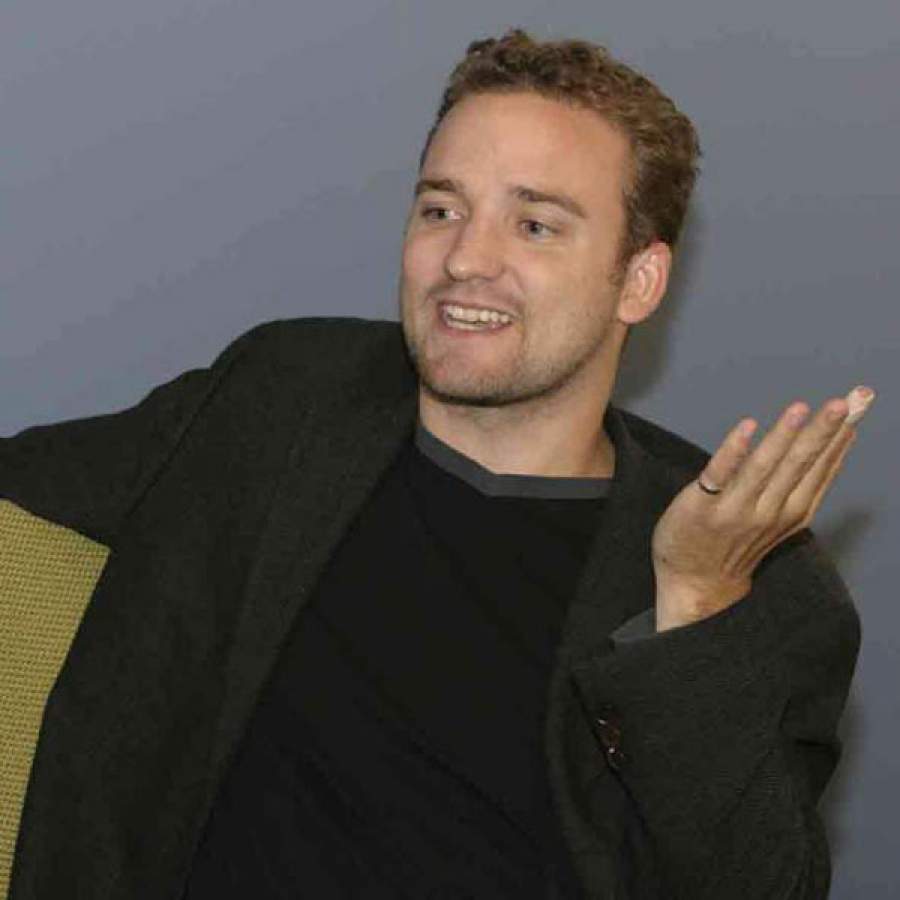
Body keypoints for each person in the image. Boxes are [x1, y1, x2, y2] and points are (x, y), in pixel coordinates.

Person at [0, 28, 874, 900]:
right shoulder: (283, 398)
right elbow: (34, 480)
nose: (465, 259)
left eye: (534, 225)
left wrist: (693, 609)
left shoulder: (755, 581)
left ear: (639, 281)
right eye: (441, 210)